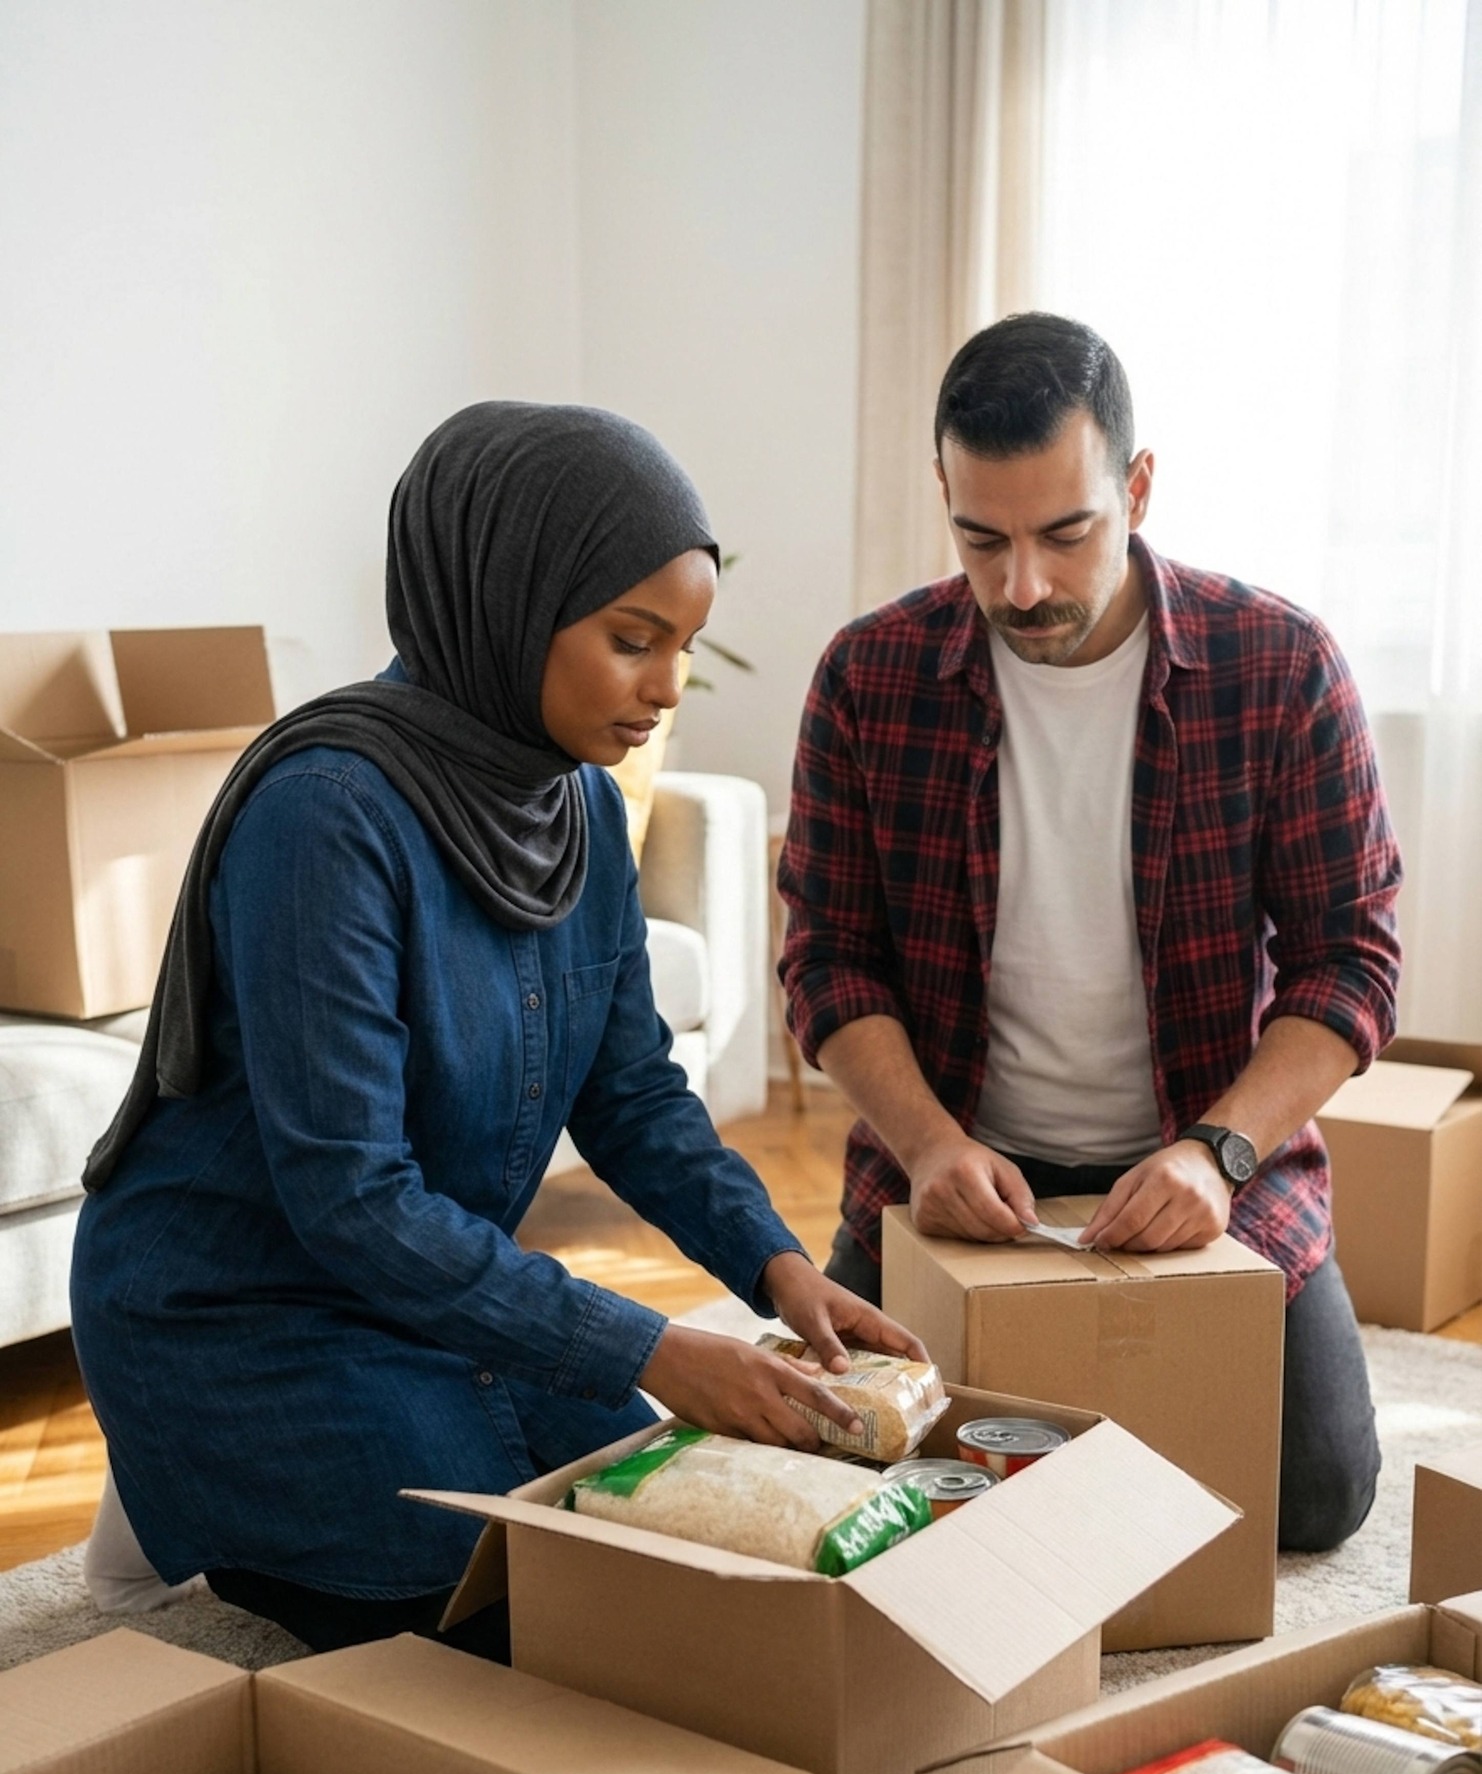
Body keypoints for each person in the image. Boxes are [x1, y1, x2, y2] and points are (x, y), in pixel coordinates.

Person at [70, 401, 923, 1655]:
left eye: (686, 643)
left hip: (415, 1295)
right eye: (634, 639)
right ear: (507, 598)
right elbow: (352, 1197)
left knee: (653, 1516)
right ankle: (186, 1472)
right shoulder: (326, 814)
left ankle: (232, 1484)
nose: (667, 687)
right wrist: (656, 1344)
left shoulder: (573, 799)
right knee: (499, 1590)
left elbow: (634, 1095)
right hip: (240, 1308)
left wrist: (780, 1271)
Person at [779, 313, 1402, 1553]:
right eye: (981, 538)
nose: (1023, 586)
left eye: (1066, 534)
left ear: (1139, 485)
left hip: (1208, 1165)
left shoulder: (1279, 665)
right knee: (840, 1474)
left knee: (1317, 1496)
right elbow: (828, 961)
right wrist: (930, 1141)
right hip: (952, 1166)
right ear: (943, 495)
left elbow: (1353, 960)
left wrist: (1216, 1155)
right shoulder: (870, 673)